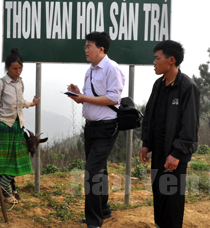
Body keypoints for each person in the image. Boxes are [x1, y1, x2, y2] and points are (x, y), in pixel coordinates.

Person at [139, 40, 200, 228]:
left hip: (174, 155)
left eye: (158, 58)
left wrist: (177, 153)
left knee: (172, 198)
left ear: (171, 60)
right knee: (159, 193)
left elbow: (190, 125)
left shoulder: (187, 87)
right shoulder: (158, 85)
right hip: (158, 151)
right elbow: (149, 115)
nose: (154, 62)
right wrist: (146, 143)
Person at [68, 31, 125, 228]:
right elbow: (94, 98)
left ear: (101, 49)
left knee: (92, 171)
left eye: (89, 46)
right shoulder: (90, 71)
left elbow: (112, 99)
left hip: (107, 127)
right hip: (91, 127)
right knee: (99, 169)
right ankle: (103, 209)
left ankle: (94, 221)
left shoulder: (112, 68)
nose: (86, 50)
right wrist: (79, 94)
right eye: (85, 46)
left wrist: (84, 98)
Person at [0, 47, 41, 204]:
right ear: (7, 68)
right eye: (14, 68)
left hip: (18, 127)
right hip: (4, 127)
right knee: (4, 164)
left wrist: (30, 103)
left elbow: (20, 102)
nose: (18, 71)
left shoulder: (20, 83)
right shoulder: (0, 84)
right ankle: (4, 193)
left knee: (20, 163)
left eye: (20, 68)